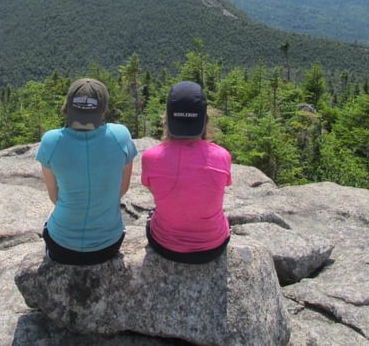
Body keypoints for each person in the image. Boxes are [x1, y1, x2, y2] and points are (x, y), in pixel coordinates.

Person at [36, 77, 138, 265]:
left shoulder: (51, 141)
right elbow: (121, 190)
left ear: (68, 107)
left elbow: (55, 197)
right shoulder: (120, 136)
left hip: (61, 247)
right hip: (108, 246)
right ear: (103, 109)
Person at [141, 81, 232, 264]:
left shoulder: (151, 157)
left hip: (165, 246)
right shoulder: (222, 156)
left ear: (166, 118)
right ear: (205, 120)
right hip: (213, 246)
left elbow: (156, 191)